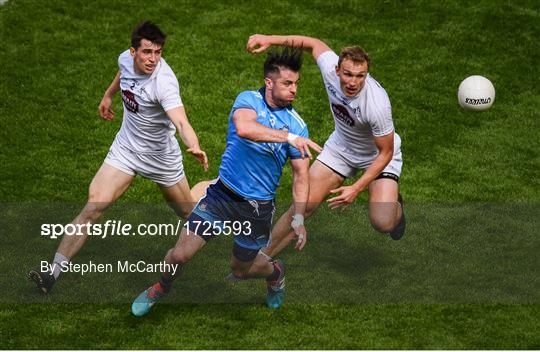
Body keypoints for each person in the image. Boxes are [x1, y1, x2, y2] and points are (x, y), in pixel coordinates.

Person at [131, 46, 322, 316]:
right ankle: (160, 287)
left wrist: (299, 219)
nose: (294, 90)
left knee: (241, 269)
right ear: (269, 82)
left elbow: (301, 176)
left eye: (296, 84)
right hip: (223, 195)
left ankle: (275, 272)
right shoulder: (249, 100)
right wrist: (288, 137)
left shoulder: (297, 124)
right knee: (180, 254)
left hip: (257, 208)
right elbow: (245, 128)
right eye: (287, 83)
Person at [27, 21, 208, 294]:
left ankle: (214, 188)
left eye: (158, 53)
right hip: (126, 150)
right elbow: (123, 73)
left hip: (161, 158)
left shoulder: (164, 82)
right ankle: (52, 273)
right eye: (147, 52)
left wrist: (193, 145)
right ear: (133, 50)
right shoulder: (125, 59)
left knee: (188, 212)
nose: (153, 59)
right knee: (92, 208)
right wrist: (108, 95)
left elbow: (181, 121)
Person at [245, 34, 405, 258]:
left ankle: (396, 206)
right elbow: (313, 44)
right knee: (303, 205)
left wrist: (356, 188)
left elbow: (386, 151)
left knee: (383, 222)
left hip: (377, 155)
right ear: (338, 69)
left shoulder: (376, 104)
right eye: (348, 74)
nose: (353, 82)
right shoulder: (330, 69)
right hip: (341, 148)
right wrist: (270, 39)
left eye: (361, 76)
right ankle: (261, 257)